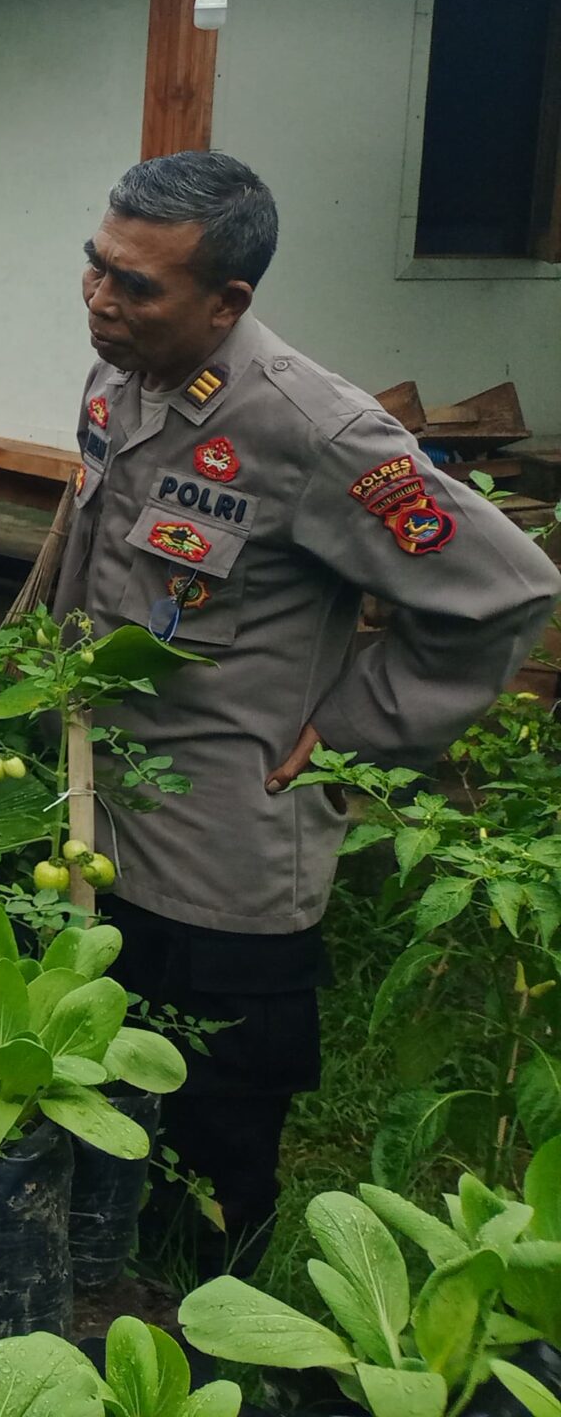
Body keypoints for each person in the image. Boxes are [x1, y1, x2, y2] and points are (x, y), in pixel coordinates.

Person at [57, 151, 558, 1272]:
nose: (100, 299)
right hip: (104, 815)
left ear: (227, 301)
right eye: (95, 267)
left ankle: (216, 1327)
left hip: (227, 845)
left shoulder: (315, 429)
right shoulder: (116, 378)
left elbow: (504, 590)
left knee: (215, 1123)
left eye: (136, 286)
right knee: (99, 1083)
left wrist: (357, 731)